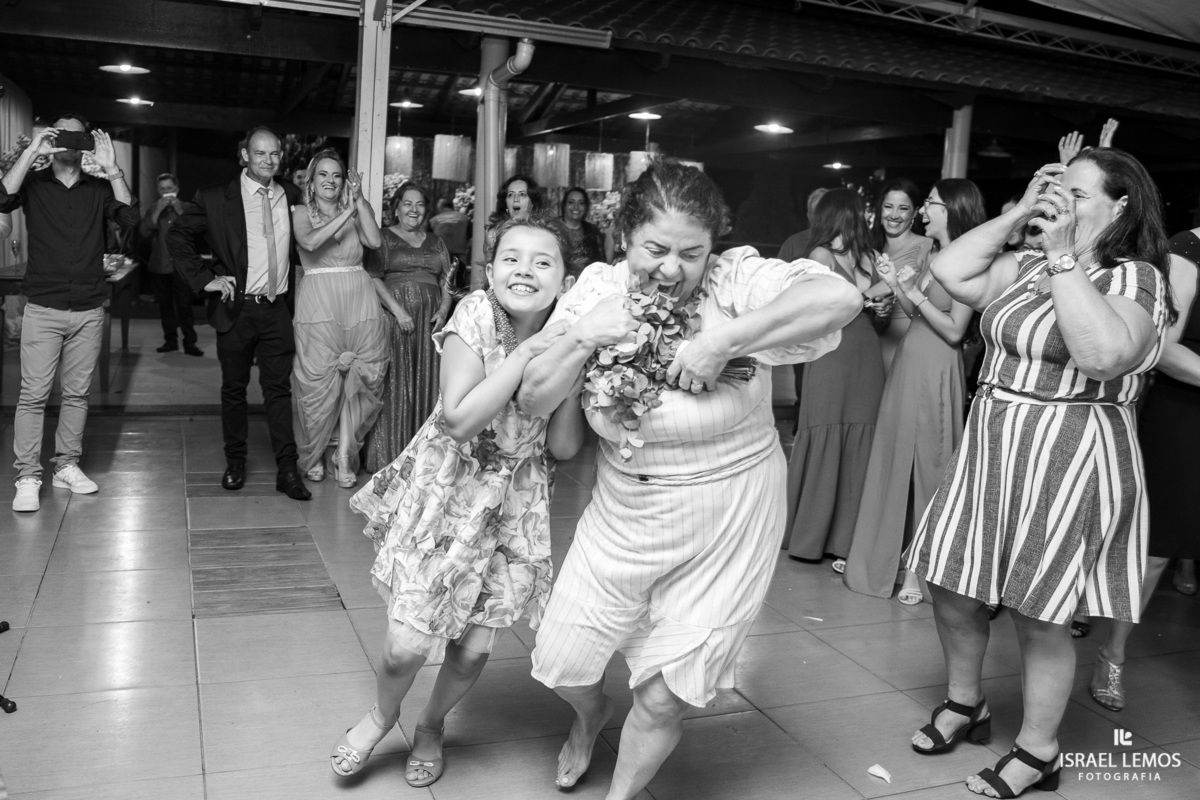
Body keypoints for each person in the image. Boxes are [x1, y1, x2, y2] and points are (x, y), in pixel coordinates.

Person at [519, 158, 861, 798]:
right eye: (655, 249)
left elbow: (839, 298)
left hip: (730, 514)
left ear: (714, 249)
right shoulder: (596, 289)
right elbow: (536, 399)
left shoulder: (736, 281)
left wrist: (725, 339)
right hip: (623, 512)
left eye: (691, 253)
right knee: (563, 659)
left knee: (663, 694)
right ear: (624, 236)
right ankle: (592, 713)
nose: (672, 269)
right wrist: (581, 337)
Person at [904, 149, 1172, 799]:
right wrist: (1024, 210)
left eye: (1077, 194)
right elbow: (946, 267)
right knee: (951, 579)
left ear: (1121, 206)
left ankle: (1039, 751)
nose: (1062, 203)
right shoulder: (1023, 266)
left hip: (1070, 447)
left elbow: (1102, 354)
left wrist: (1062, 259)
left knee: (1039, 609)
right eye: (1058, 189)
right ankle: (966, 704)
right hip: (994, 438)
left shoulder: (1134, 279)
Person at [330, 214, 590, 787]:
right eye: (510, 258)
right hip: (447, 490)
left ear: (566, 282)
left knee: (472, 650)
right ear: (491, 269)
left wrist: (573, 365)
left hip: (514, 504)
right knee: (405, 645)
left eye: (542, 261)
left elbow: (567, 447)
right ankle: (381, 715)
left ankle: (430, 724)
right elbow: (459, 420)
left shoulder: (573, 337)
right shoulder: (475, 313)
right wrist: (526, 355)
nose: (524, 270)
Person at [843, 179, 981, 603]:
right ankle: (883, 559)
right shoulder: (934, 254)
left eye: (932, 203)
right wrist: (899, 286)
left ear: (953, 210)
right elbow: (912, 311)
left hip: (938, 365)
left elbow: (956, 330)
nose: (923, 210)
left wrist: (915, 293)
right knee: (894, 458)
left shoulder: (970, 261)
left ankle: (921, 574)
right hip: (910, 359)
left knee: (930, 466)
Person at [0, 115, 139, 512]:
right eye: (61, 132)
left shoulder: (97, 189)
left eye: (75, 134)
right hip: (44, 307)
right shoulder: (34, 185)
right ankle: (27, 475)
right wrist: (32, 152)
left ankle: (66, 465)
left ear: (83, 143)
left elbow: (129, 218)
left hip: (89, 308)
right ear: (53, 137)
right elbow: (1, 198)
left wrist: (112, 168)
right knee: (34, 395)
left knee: (77, 394)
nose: (68, 140)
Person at [168, 126, 312, 501]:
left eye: (275, 154)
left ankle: (287, 470)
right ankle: (235, 462)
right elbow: (177, 236)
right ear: (245, 155)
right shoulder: (216, 198)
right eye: (261, 154)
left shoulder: (291, 195)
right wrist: (206, 280)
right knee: (234, 390)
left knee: (279, 392)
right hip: (237, 308)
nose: (269, 161)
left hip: (278, 308)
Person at [783, 188, 885, 571]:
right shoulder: (819, 256)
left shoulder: (870, 257)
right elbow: (817, 310)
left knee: (861, 436)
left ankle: (846, 539)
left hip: (866, 352)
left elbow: (879, 314)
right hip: (830, 353)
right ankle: (809, 536)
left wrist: (883, 303)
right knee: (825, 428)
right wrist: (871, 294)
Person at [290, 150, 388, 488]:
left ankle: (344, 454)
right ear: (311, 181)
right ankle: (314, 452)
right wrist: (347, 210)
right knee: (317, 379)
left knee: (357, 379)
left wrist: (359, 201)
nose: (330, 181)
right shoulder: (301, 212)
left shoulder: (356, 207)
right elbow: (310, 241)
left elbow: (374, 241)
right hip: (319, 303)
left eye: (336, 175)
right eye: (323, 175)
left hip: (358, 301)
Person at [363, 183, 456, 471]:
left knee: (428, 382)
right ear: (397, 207)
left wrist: (443, 310)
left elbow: (447, 281)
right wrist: (398, 310)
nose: (413, 210)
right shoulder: (382, 237)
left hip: (430, 321)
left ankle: (424, 456)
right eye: (407, 203)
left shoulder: (436, 241)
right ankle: (389, 455)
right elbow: (373, 277)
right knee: (396, 384)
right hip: (395, 318)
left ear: (426, 210)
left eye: (419, 205)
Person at [870, 179, 935, 373]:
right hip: (871, 339)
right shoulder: (868, 250)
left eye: (903, 209)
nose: (894, 215)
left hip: (907, 340)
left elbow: (933, 298)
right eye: (889, 207)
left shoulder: (927, 246)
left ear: (915, 213)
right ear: (880, 210)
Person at [140, 172, 202, 357]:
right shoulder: (153, 208)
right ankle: (170, 341)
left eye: (169, 188)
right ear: (158, 191)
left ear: (177, 189)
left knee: (184, 305)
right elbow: (144, 233)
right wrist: (158, 211)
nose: (166, 192)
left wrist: (180, 210)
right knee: (165, 305)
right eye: (162, 189)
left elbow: (196, 229)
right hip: (160, 264)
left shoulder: (189, 207)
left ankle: (190, 343)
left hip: (182, 265)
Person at [777, 186, 832, 262]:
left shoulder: (843, 245)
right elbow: (780, 272)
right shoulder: (792, 245)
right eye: (817, 213)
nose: (822, 218)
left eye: (826, 213)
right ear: (809, 216)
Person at [560, 186, 605, 272]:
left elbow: (601, 265)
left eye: (581, 203)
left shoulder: (593, 233)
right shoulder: (553, 228)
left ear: (585, 208)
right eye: (571, 202)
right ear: (564, 205)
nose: (576, 207)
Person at [428, 197, 469, 265]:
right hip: (459, 258)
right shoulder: (465, 219)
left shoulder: (433, 220)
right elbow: (471, 239)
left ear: (441, 208)